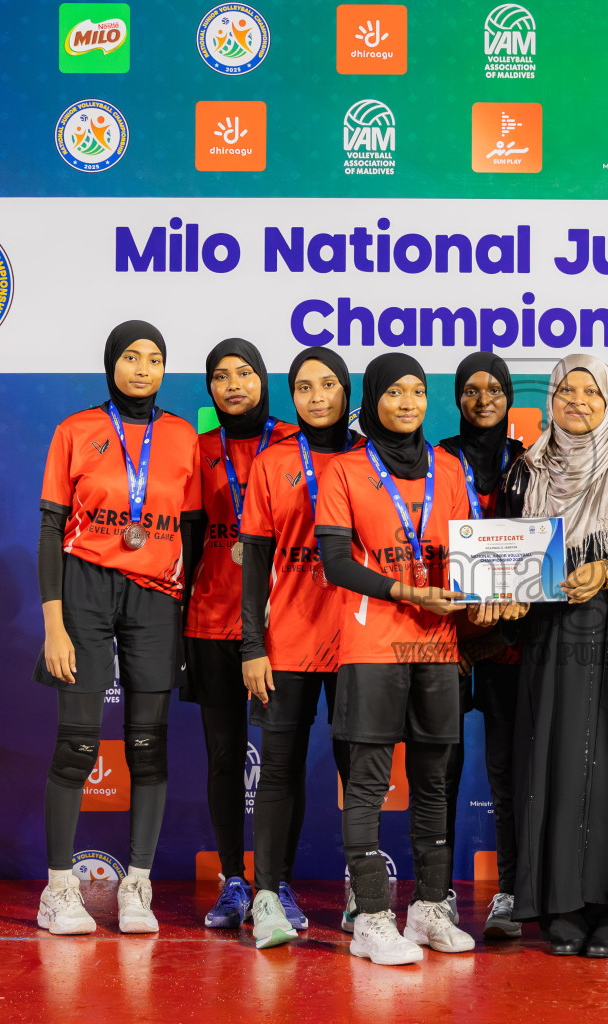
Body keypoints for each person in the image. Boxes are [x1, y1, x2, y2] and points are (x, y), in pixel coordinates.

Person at [498, 353, 608, 958]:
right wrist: (505, 593)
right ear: (550, 397)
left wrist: (607, 569)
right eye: (566, 390)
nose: (577, 401)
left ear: (607, 400)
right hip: (551, 637)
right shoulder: (526, 471)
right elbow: (505, 553)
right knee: (555, 761)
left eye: (590, 392)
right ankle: (561, 904)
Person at [34, 320, 201, 935]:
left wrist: (185, 612)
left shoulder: (184, 437)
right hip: (84, 589)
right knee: (77, 744)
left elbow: (193, 533)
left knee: (147, 747)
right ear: (111, 365)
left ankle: (137, 885)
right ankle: (58, 889)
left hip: (157, 597)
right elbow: (51, 529)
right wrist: (54, 624)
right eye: (131, 357)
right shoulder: (76, 430)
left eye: (154, 359)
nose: (142, 369)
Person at [314, 352, 476, 965]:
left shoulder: (449, 468)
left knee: (434, 781)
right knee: (370, 785)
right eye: (394, 393)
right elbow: (335, 563)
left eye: (417, 392)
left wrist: (486, 594)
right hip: (373, 645)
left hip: (437, 644)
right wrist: (407, 591)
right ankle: (374, 918)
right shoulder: (345, 471)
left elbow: (469, 554)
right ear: (372, 399)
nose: (407, 403)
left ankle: (430, 910)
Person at [237, 347, 361, 948]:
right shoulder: (273, 462)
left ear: (346, 391)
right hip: (287, 642)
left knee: (356, 772)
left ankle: (362, 896)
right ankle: (267, 896)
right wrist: (251, 645)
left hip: (362, 642)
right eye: (304, 387)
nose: (316, 397)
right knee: (279, 772)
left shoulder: (373, 460)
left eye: (328, 385)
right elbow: (255, 563)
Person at [183, 339, 296, 934]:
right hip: (210, 624)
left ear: (264, 380)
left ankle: (278, 885)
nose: (233, 385)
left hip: (283, 627)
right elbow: (185, 542)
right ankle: (234, 880)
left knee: (281, 761)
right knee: (225, 756)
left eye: (245, 373)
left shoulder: (292, 442)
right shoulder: (198, 450)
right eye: (220, 376)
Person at [436, 352, 529, 940]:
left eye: (496, 388)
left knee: (506, 770)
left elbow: (542, 555)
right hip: (442, 635)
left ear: (510, 395)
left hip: (506, 641)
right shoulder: (434, 457)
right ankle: (435, 893)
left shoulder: (530, 462)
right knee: (439, 770)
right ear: (458, 398)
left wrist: (497, 638)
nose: (484, 398)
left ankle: (511, 891)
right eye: (472, 389)